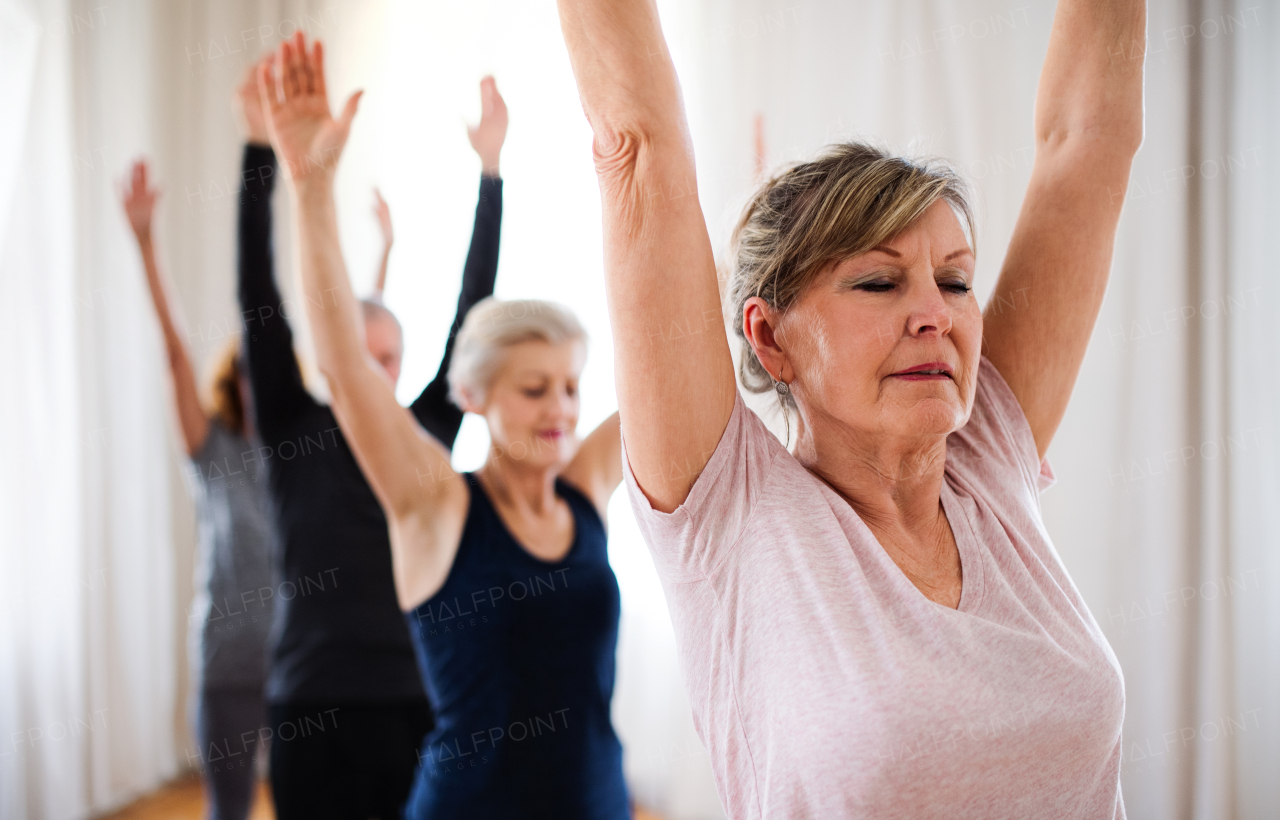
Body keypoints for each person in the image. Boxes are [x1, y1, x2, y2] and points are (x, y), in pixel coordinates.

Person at [556, 0, 1144, 817]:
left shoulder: (991, 455)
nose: (934, 312)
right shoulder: (730, 511)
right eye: (878, 281)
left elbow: (1089, 144)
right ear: (771, 338)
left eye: (956, 279)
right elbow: (636, 144)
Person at [255, 33, 630, 818]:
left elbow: (670, 366)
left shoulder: (587, 487)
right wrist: (311, 186)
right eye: (534, 389)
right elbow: (348, 370)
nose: (561, 409)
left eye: (570, 387)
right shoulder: (435, 500)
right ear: (475, 397)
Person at [233, 58, 510, 819]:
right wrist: (262, 153)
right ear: (334, 356)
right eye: (359, 355)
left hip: (412, 698)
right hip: (308, 702)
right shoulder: (290, 421)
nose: (374, 369)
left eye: (388, 357)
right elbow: (257, 293)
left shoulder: (426, 429)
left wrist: (490, 172)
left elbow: (473, 309)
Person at [121, 159, 275, 820]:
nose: (256, 381)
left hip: (304, 661)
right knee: (230, 810)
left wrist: (385, 253)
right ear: (232, 379)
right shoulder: (211, 448)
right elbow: (175, 353)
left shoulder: (313, 450)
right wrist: (146, 242)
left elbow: (357, 367)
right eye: (246, 370)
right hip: (230, 660)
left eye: (266, 368)